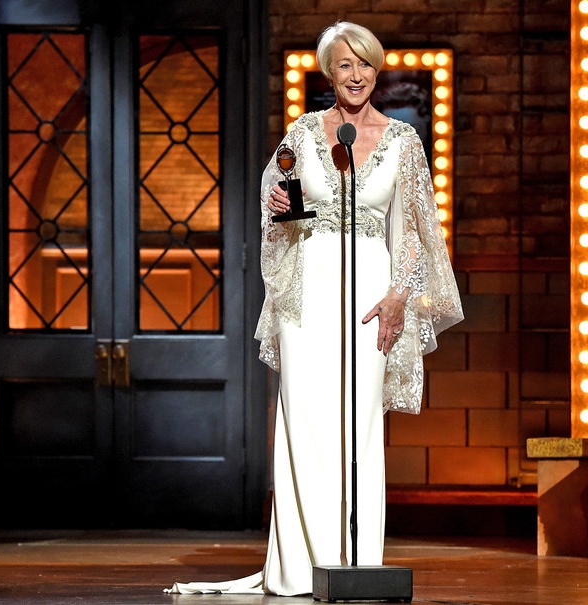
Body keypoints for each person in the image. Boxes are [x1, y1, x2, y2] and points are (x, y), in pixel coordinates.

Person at [166, 21, 463, 595]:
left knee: (358, 424)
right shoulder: (303, 135)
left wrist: (401, 292)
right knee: (305, 420)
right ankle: (302, 567)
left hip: (373, 293)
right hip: (307, 293)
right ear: (330, 74)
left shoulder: (404, 143)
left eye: (366, 65)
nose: (356, 76)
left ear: (378, 71)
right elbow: (286, 218)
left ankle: (355, 565)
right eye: (345, 66)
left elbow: (416, 233)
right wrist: (280, 206)